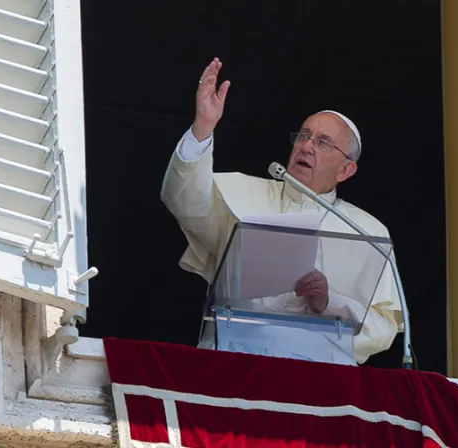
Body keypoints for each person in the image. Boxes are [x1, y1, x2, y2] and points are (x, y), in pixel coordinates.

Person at [161, 57, 403, 365]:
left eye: (323, 142)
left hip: (319, 377)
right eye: (303, 136)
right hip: (233, 363)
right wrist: (203, 127)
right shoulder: (243, 195)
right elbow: (184, 200)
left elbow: (383, 329)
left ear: (346, 170)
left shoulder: (368, 231)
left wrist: (331, 302)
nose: (306, 146)